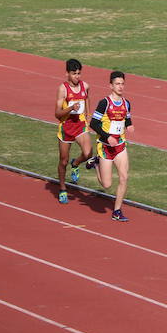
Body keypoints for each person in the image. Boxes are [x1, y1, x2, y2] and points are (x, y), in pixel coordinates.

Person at [86, 71, 133, 222]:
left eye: (122, 84)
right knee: (106, 184)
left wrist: (130, 126)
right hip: (105, 146)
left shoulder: (126, 103)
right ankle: (96, 163)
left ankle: (117, 211)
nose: (120, 87)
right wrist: (107, 137)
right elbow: (93, 123)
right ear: (111, 86)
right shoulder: (104, 103)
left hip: (120, 145)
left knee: (124, 177)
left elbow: (127, 119)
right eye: (117, 84)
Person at [55, 59, 93, 204]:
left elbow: (87, 98)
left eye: (79, 73)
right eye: (74, 74)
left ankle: (76, 164)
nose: (77, 76)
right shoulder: (63, 89)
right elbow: (57, 114)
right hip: (66, 128)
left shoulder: (85, 86)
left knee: (88, 153)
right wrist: (71, 108)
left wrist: (88, 117)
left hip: (80, 126)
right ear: (67, 74)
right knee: (63, 161)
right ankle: (63, 188)